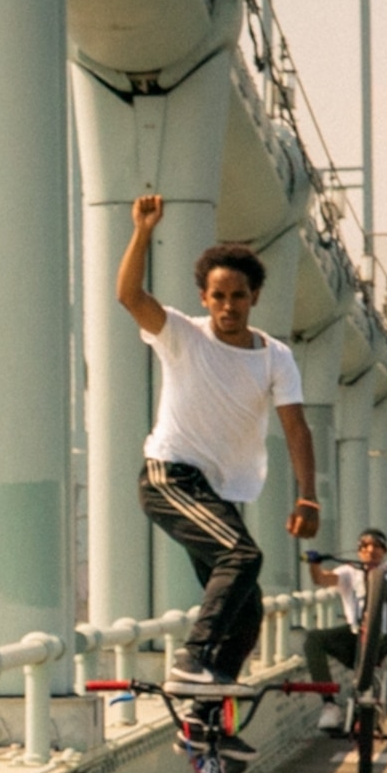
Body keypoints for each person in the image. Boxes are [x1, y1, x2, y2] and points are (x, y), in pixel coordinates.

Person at [114, 193, 318, 690]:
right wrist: (142, 231)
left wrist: (308, 494)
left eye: (239, 297)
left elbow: (295, 427)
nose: (229, 307)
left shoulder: (275, 357)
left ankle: (208, 722)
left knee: (247, 612)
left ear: (254, 298)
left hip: (217, 492)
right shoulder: (183, 334)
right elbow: (129, 297)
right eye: (219, 296)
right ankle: (192, 658)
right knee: (241, 557)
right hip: (169, 476)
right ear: (204, 298)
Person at [303, 526, 387, 735]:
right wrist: (314, 564)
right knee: (313, 639)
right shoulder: (349, 572)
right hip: (354, 637)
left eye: (376, 546)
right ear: (358, 551)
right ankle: (330, 705)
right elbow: (321, 579)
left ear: (385, 551)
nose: (370, 550)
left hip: (382, 638)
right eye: (365, 546)